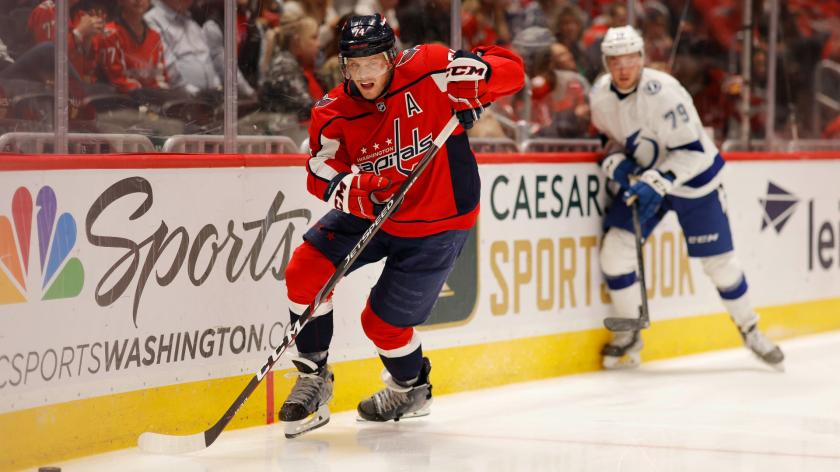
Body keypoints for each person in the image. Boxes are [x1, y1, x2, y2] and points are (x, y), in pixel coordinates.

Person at [278, 14, 523, 438]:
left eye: (373, 63)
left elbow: (512, 71)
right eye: (354, 65)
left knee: (382, 324)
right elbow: (319, 169)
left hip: (439, 219)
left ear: (391, 57)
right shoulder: (332, 110)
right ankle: (313, 377)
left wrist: (480, 74)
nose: (364, 75)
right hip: (377, 208)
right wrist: (351, 190)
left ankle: (411, 388)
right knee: (305, 269)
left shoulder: (430, 66)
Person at [589, 26, 784, 370]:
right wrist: (616, 161)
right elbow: (607, 139)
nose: (623, 68)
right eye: (615, 61)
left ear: (642, 59)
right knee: (615, 254)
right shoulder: (601, 94)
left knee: (720, 264)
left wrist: (658, 180)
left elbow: (693, 152)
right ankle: (630, 334)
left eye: (630, 59)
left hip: (693, 181)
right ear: (606, 63)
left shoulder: (664, 93)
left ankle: (750, 329)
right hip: (648, 179)